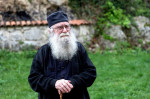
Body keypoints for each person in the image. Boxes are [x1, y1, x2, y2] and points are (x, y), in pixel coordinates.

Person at [28, 11, 96, 99]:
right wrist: (54, 83)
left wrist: (73, 82)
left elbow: (90, 72)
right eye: (60, 27)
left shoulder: (78, 48)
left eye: (67, 26)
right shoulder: (43, 52)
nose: (65, 30)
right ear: (51, 31)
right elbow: (34, 79)